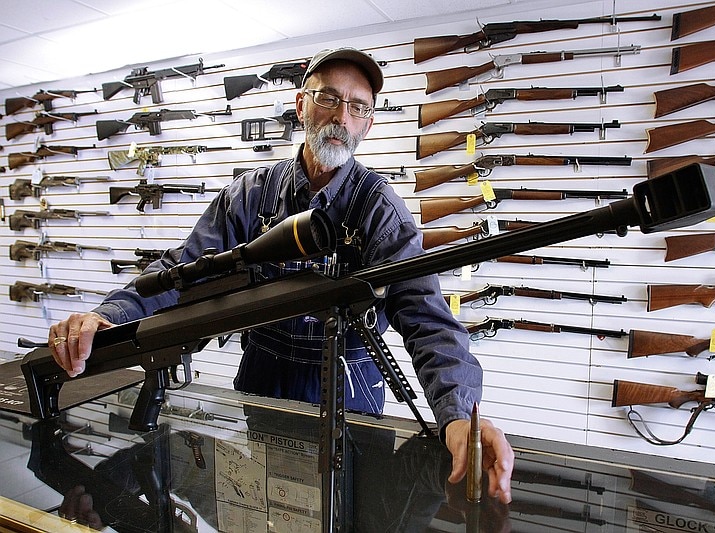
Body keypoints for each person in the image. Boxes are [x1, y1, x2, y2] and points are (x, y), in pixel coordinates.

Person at [49, 47, 514, 503]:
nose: (341, 117)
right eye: (328, 98)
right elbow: (180, 274)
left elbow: (427, 320)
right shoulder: (250, 195)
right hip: (263, 391)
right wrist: (108, 316)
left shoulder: (381, 213)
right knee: (269, 509)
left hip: (350, 402)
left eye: (357, 107)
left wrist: (457, 418)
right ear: (300, 105)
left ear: (368, 123)